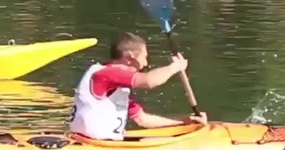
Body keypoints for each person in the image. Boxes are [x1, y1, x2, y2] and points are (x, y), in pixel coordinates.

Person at [68, 32, 208, 141]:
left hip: (92, 142)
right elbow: (150, 81)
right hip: (95, 146)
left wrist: (185, 121)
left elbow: (143, 119)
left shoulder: (113, 87)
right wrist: (176, 67)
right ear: (131, 56)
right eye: (144, 57)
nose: (146, 64)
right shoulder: (107, 74)